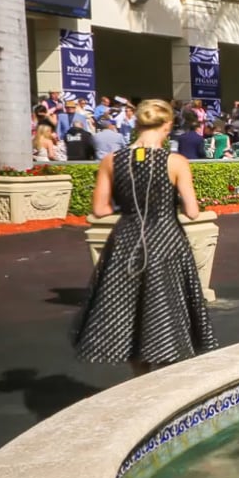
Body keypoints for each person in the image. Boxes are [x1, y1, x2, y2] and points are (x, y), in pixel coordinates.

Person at [71, 100, 213, 377]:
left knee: (131, 311)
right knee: (167, 311)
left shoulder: (112, 161)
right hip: (166, 240)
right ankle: (167, 389)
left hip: (126, 240)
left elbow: (99, 210)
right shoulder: (175, 162)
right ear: (168, 125)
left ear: (136, 124)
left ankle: (140, 383)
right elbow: (193, 212)